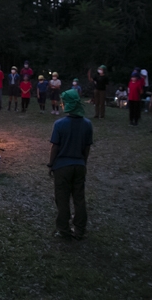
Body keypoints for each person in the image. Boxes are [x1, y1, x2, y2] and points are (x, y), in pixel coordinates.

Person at [47, 89, 93, 240]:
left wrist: (50, 164)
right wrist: (83, 163)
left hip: (62, 167)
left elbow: (55, 147)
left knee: (62, 198)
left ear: (67, 105)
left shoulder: (60, 124)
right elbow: (86, 148)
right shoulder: (87, 124)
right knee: (79, 198)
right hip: (79, 165)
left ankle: (63, 229)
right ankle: (80, 229)